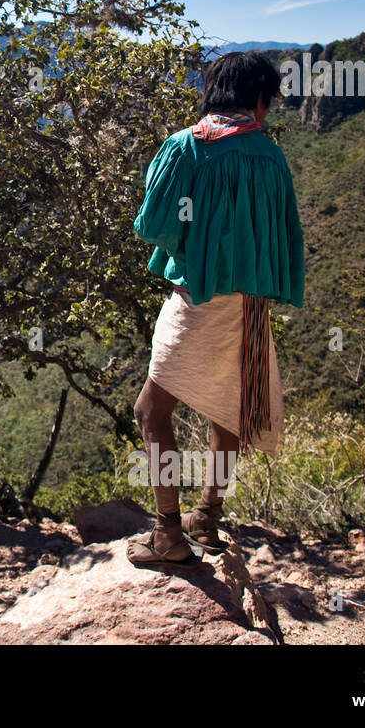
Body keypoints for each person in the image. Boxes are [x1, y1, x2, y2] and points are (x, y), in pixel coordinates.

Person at [126, 51, 305, 568]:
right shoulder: (271, 156)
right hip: (251, 306)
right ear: (256, 98)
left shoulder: (188, 147)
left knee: (150, 412)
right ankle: (207, 517)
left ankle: (167, 535)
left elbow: (151, 225)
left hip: (198, 300)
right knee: (228, 408)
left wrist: (197, 240)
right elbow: (286, 234)